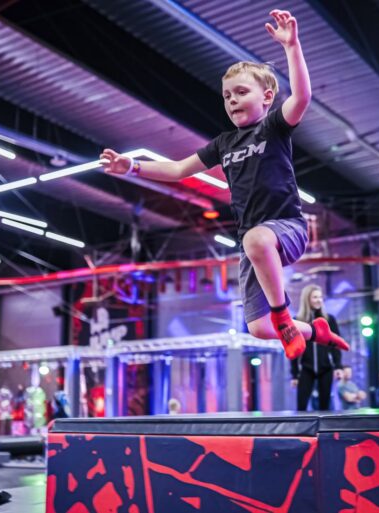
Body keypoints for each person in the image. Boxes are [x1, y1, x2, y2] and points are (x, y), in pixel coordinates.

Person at [101, 10, 349, 360]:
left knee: (258, 244)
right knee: (258, 328)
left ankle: (284, 317)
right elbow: (176, 170)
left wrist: (292, 46)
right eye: (227, 96)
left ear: (266, 96)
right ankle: (313, 330)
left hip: (285, 229)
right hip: (253, 243)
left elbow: (302, 98)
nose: (232, 100)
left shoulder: (274, 127)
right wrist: (133, 167)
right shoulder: (223, 143)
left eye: (241, 92)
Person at [291, 285, 344, 411]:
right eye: (315, 297)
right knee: (301, 405)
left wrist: (338, 366)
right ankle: (302, 430)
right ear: (307, 299)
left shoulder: (329, 320)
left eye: (320, 297)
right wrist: (294, 374)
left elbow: (335, 344)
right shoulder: (298, 321)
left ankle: (324, 431)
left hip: (325, 368)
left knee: (324, 405)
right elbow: (293, 349)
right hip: (306, 368)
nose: (319, 300)